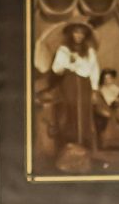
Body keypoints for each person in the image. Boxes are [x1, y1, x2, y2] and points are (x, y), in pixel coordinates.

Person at [41, 20, 100, 167]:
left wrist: (94, 90)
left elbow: (94, 70)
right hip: (69, 84)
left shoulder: (90, 51)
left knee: (85, 114)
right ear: (71, 33)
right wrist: (70, 63)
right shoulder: (63, 50)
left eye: (82, 33)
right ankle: (69, 152)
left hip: (85, 85)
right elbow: (57, 69)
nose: (79, 35)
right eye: (76, 32)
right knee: (70, 113)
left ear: (85, 35)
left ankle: (85, 153)